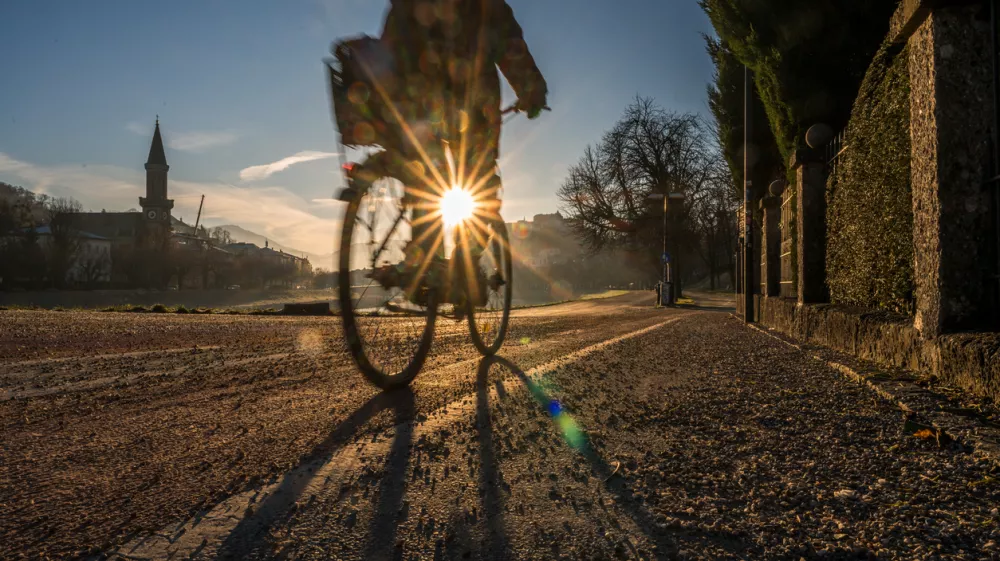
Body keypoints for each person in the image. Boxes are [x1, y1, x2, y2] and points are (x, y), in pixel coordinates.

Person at [377, 0, 548, 316]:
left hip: (414, 101)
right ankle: (463, 269)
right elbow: (509, 44)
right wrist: (532, 91)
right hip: (469, 104)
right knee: (479, 186)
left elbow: (391, 38)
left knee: (425, 176)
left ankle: (425, 263)